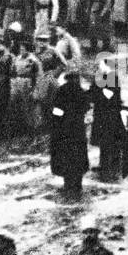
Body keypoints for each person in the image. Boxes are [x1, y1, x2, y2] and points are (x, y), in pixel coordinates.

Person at [49, 69, 90, 201]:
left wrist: (59, 121)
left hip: (63, 129)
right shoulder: (80, 91)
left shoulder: (61, 91)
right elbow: (86, 107)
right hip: (77, 129)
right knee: (78, 156)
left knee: (65, 156)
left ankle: (68, 185)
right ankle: (77, 185)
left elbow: (56, 110)